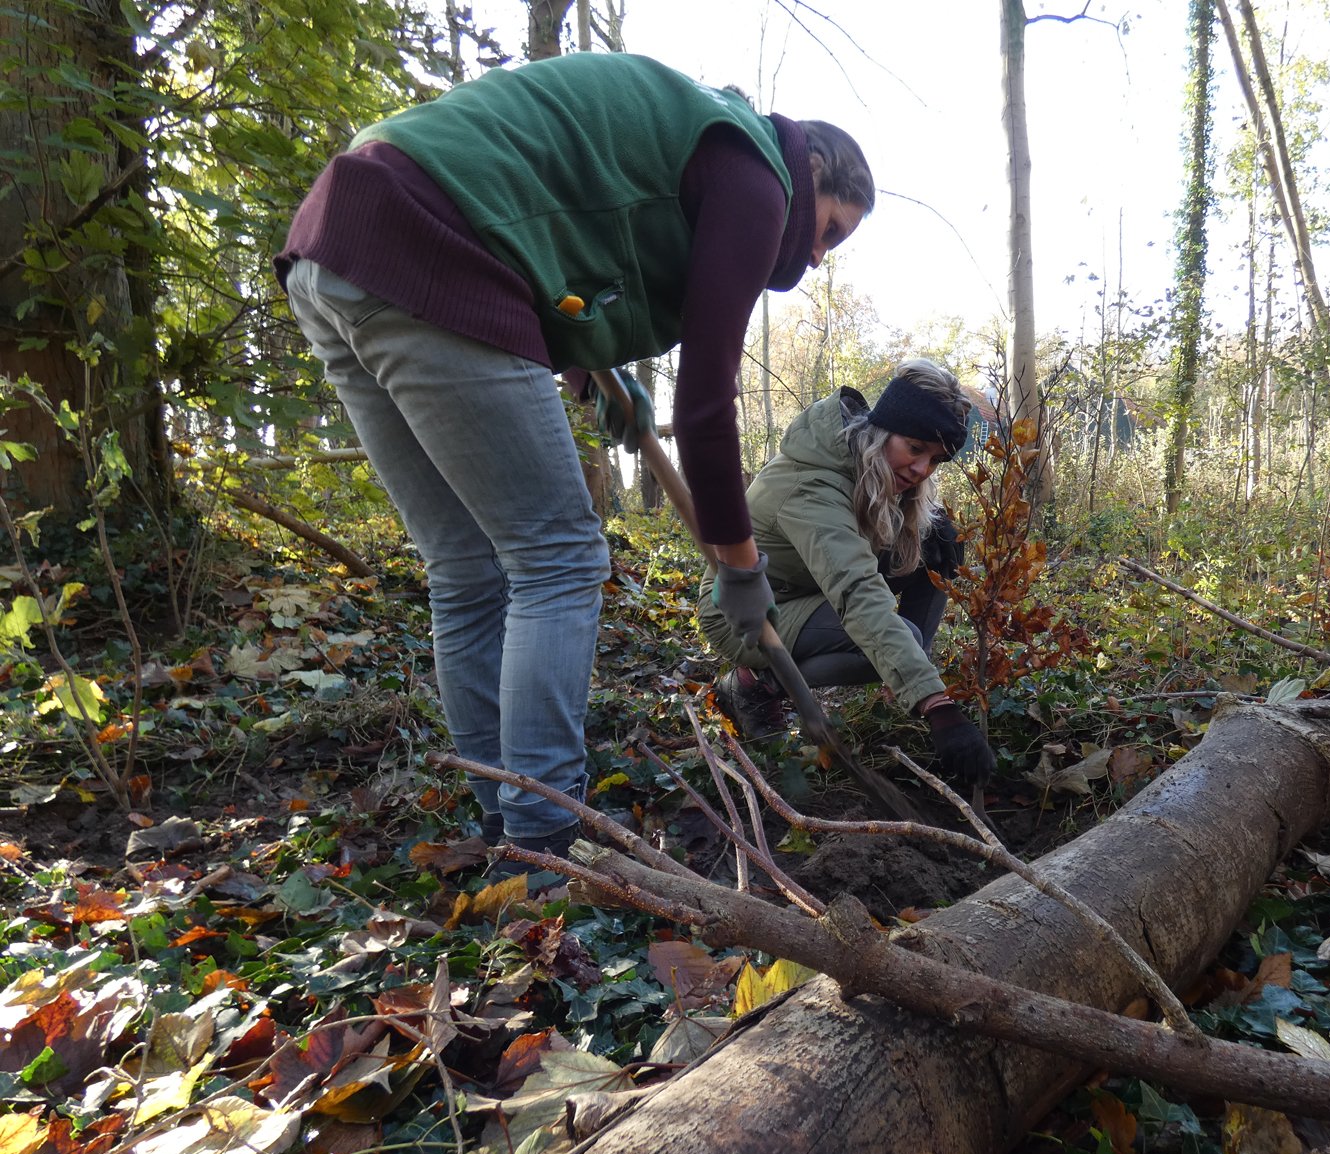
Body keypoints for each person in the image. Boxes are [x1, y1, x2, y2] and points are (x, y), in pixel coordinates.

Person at [273, 52, 875, 859]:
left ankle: (508, 826)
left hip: (338, 244)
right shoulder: (761, 174)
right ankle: (548, 834)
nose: (818, 255)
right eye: (830, 229)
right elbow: (706, 404)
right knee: (557, 557)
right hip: (430, 242)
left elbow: (549, 222)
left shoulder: (692, 138)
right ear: (813, 171)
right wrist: (741, 567)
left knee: (465, 569)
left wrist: (592, 368)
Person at [697, 359, 996, 783]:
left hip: (807, 586)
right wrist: (938, 706)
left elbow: (866, 554)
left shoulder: (868, 463)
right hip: (746, 612)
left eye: (935, 459)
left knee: (936, 549)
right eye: (915, 448)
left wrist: (933, 530)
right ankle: (752, 684)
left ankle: (908, 675)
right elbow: (856, 591)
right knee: (899, 636)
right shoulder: (812, 486)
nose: (921, 470)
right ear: (884, 430)